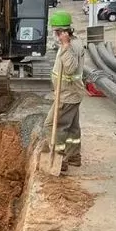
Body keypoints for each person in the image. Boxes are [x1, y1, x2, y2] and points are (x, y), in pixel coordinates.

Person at [46, 10, 84, 170]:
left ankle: (59, 160)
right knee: (73, 127)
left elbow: (70, 69)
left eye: (55, 32)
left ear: (61, 32)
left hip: (67, 95)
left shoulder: (70, 46)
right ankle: (74, 156)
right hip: (71, 93)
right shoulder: (73, 43)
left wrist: (66, 47)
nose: (54, 35)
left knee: (52, 125)